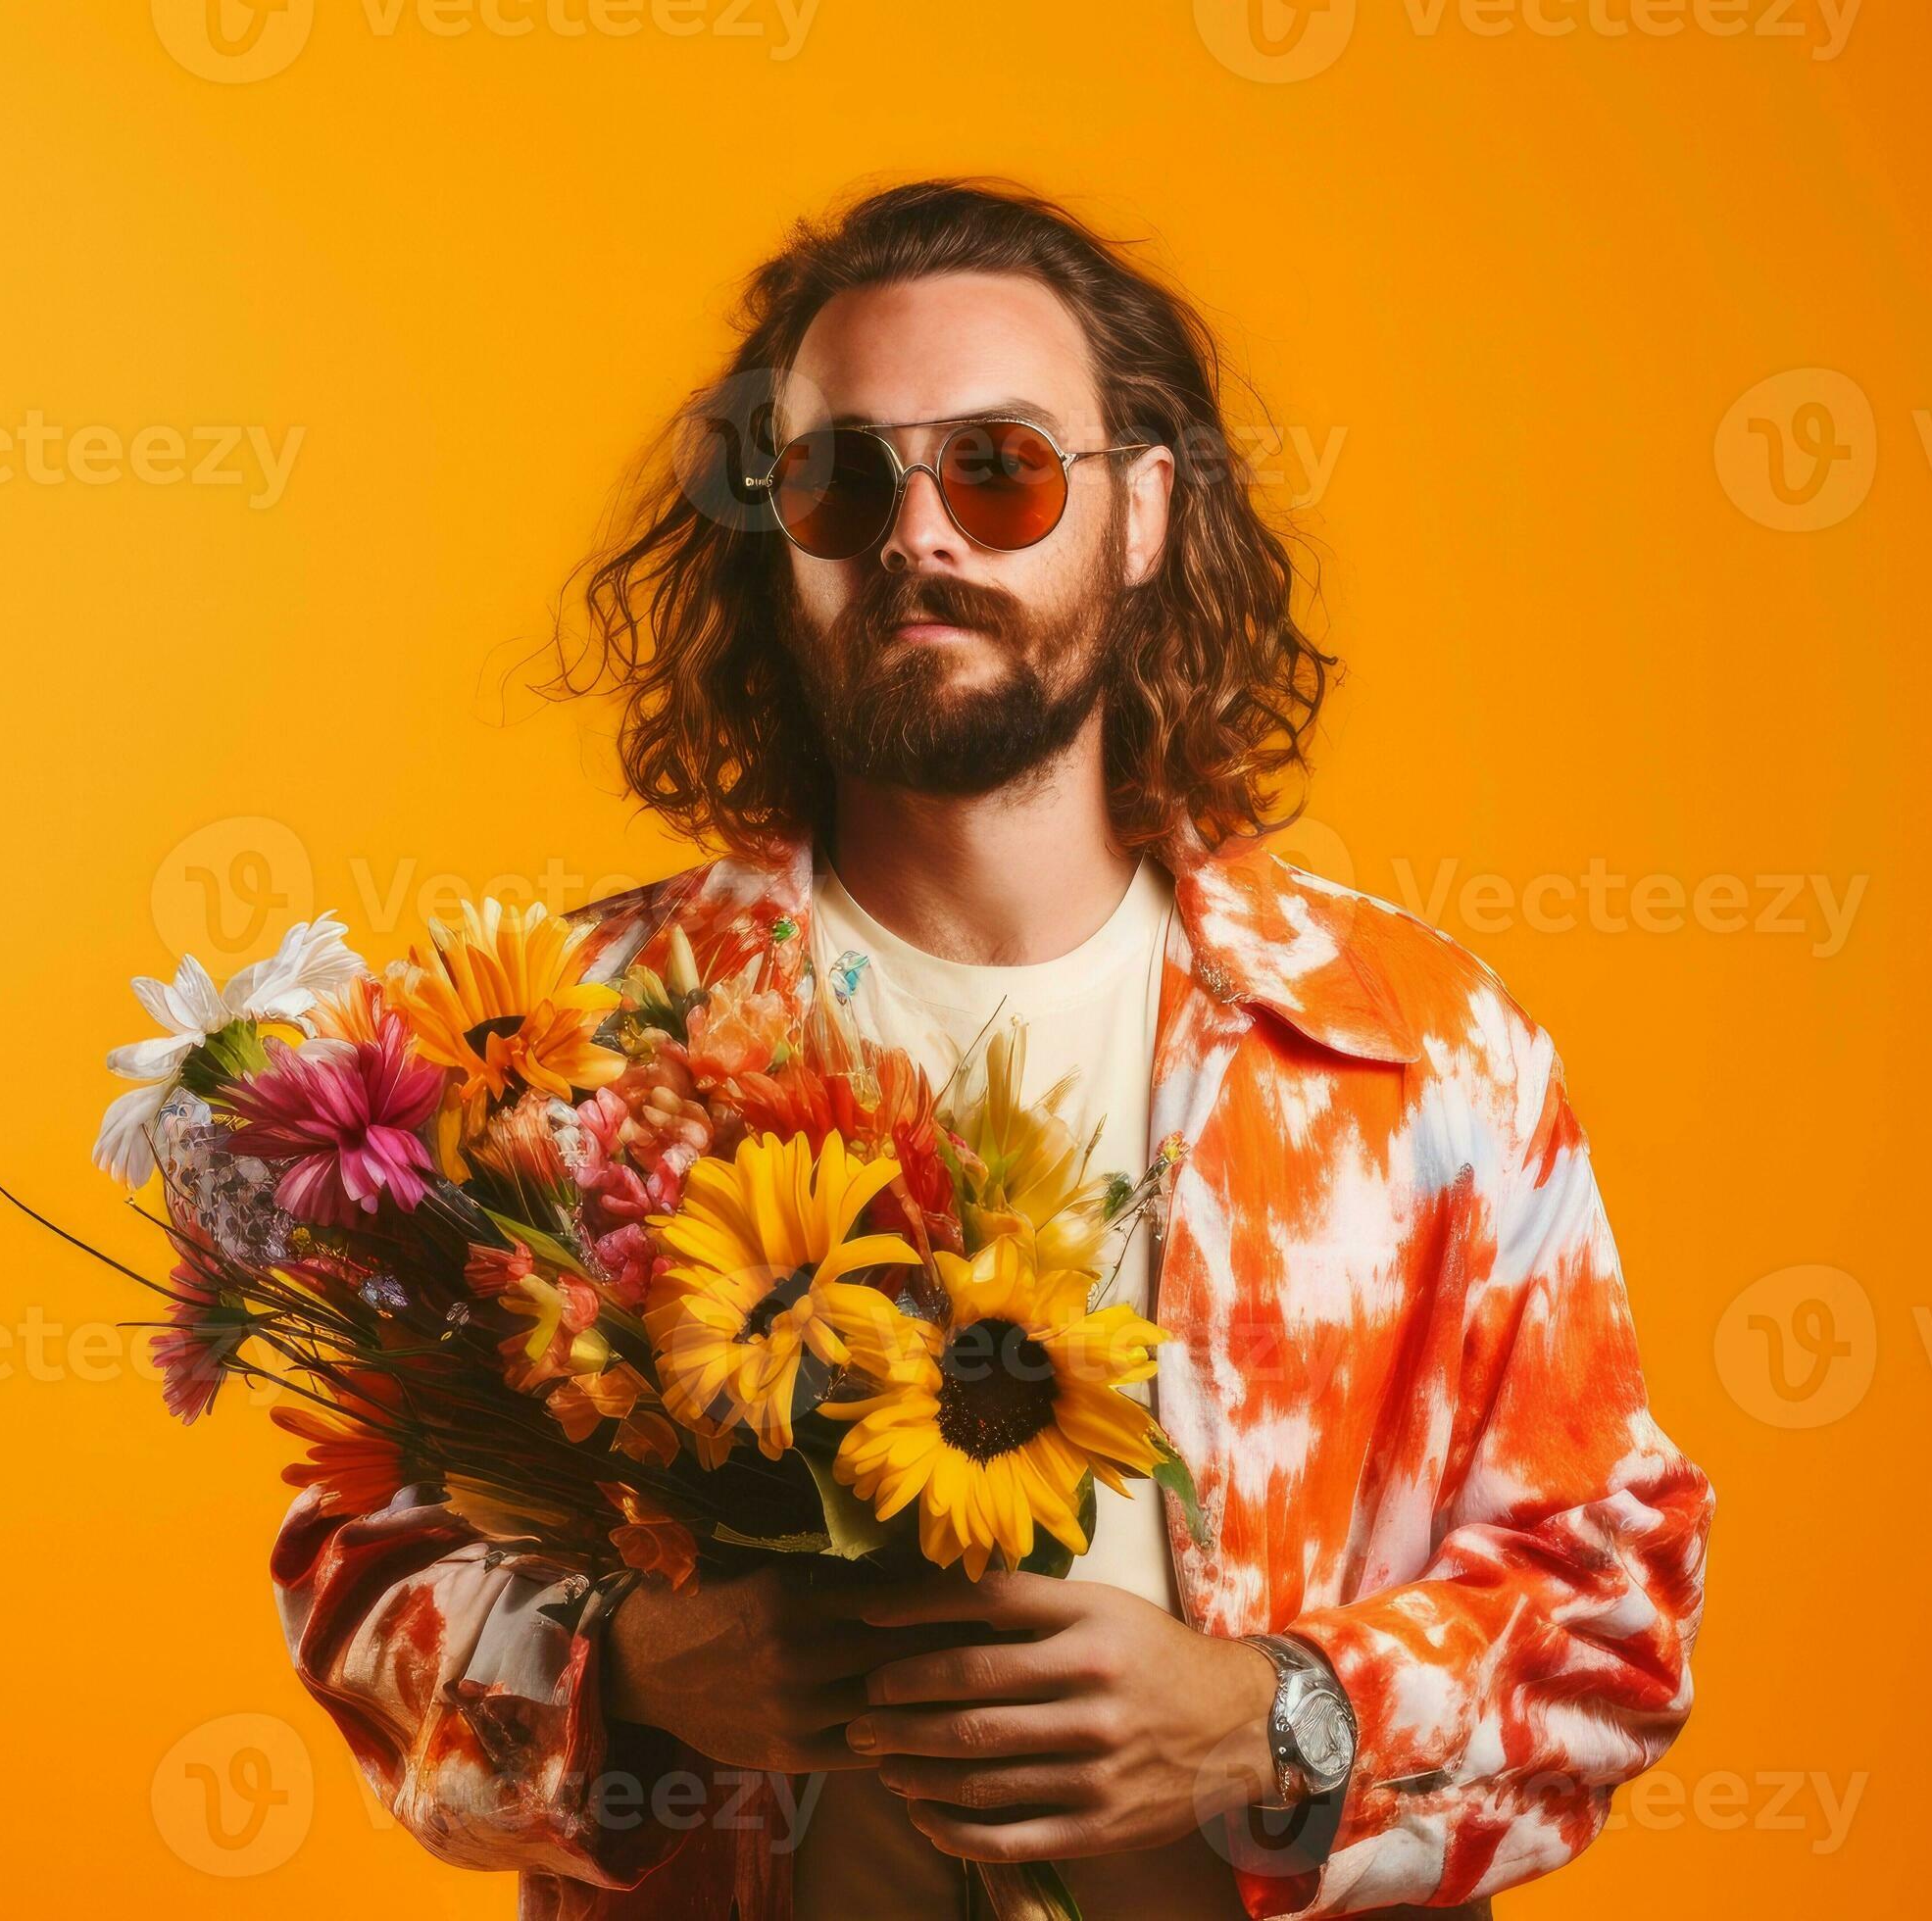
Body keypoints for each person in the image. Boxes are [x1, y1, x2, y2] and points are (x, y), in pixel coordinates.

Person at [272, 178, 1712, 1920]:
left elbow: (1615, 1607)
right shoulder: (565, 1052)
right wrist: (633, 1675)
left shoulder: (1415, 1056)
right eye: (843, 478)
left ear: (1144, 517)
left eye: (1002, 468)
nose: (920, 536)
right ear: (774, 533)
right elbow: (364, 1584)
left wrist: (1275, 1719)